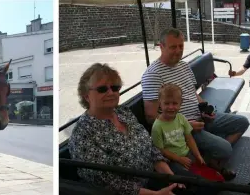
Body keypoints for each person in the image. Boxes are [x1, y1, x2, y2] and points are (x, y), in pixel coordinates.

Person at [142, 28, 249, 180]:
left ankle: (211, 160)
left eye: (181, 46)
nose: (178, 51)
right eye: (173, 47)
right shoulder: (153, 74)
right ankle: (215, 162)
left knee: (242, 122)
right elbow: (150, 116)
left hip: (201, 117)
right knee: (225, 149)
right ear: (161, 46)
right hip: (184, 129)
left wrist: (205, 108)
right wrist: (185, 125)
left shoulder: (184, 66)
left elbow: (193, 94)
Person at [69, 63, 187, 195]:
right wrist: (155, 194)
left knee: (196, 184)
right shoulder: (83, 134)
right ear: (86, 96)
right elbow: (106, 182)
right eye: (102, 89)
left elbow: (150, 148)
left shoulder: (123, 113)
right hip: (130, 192)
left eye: (115, 88)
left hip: (152, 176)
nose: (111, 93)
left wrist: (170, 177)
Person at [151, 83, 204, 177]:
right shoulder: (157, 127)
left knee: (203, 164)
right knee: (188, 176)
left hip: (187, 153)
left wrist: (197, 155)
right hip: (171, 160)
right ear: (160, 103)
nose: (171, 107)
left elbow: (189, 138)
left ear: (180, 103)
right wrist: (179, 159)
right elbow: (161, 150)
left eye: (175, 103)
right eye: (167, 103)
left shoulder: (181, 118)